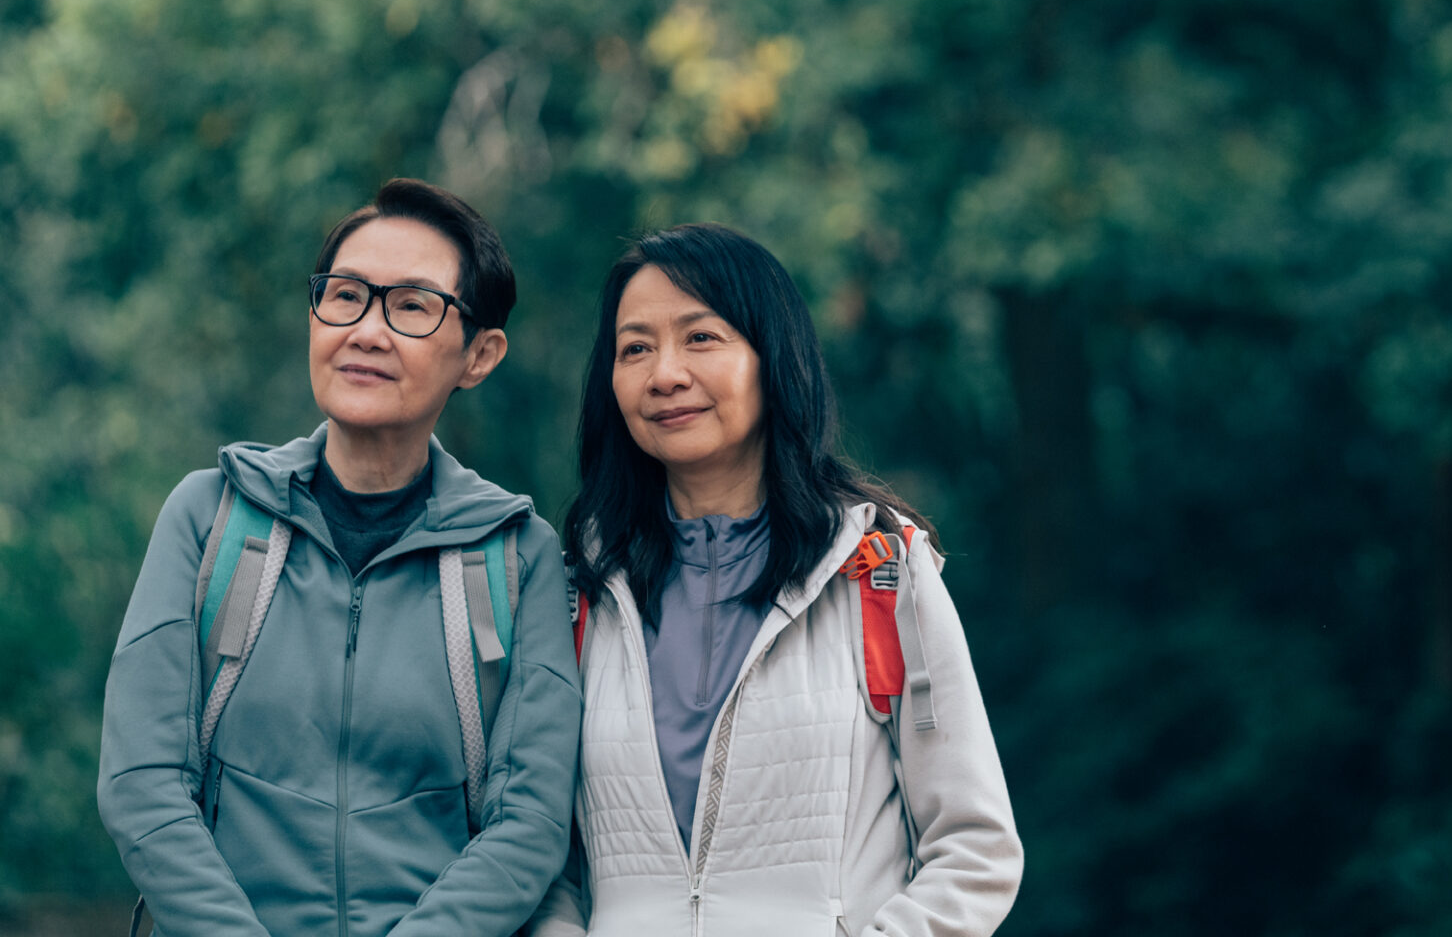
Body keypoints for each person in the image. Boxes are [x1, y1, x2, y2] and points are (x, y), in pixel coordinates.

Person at [98, 179, 581, 936]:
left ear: (479, 355)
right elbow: (143, 784)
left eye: (413, 306)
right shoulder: (209, 516)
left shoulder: (517, 555)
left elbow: (530, 823)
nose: (366, 331)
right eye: (346, 296)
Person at [529, 223, 1021, 936]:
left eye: (701, 337)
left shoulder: (877, 571)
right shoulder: (579, 594)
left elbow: (975, 849)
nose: (664, 374)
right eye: (634, 349)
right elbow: (550, 863)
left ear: (773, 358)